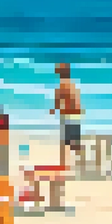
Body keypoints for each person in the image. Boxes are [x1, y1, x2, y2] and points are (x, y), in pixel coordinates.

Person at [45, 62, 83, 210]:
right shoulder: (73, 85)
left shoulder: (61, 86)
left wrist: (53, 110)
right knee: (75, 142)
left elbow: (57, 102)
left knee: (65, 143)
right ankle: (80, 164)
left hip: (68, 116)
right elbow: (76, 102)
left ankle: (64, 167)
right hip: (77, 116)